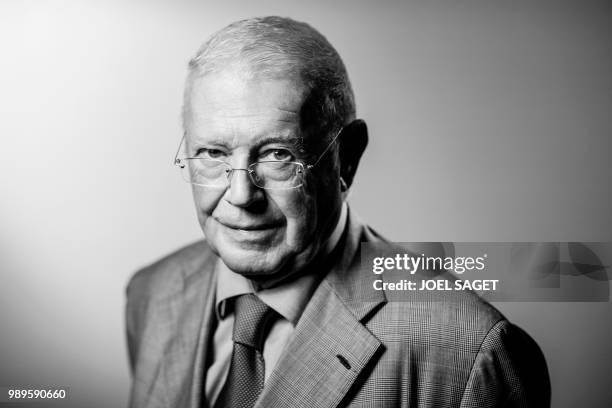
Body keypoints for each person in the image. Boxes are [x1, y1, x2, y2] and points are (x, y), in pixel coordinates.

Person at [125, 16, 550, 408]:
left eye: (277, 154)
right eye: (213, 152)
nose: (240, 195)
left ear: (346, 158)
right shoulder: (152, 294)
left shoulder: (470, 354)